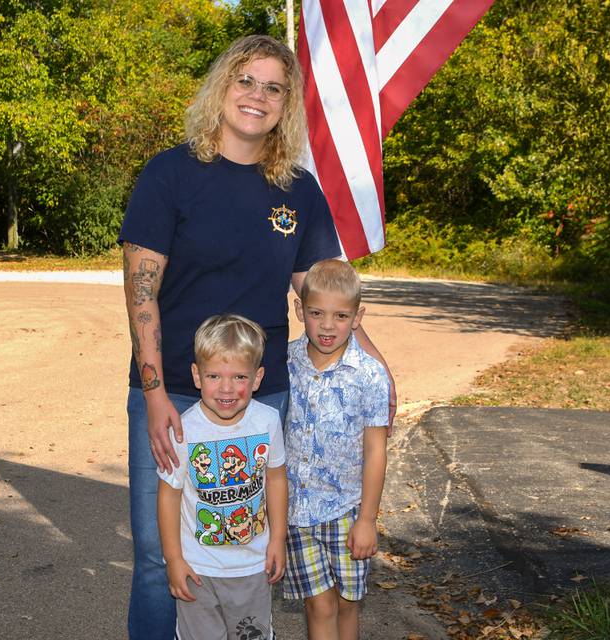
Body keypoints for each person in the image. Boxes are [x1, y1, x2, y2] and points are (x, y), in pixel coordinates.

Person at [119, 34, 395, 639]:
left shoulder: (297, 190)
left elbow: (322, 294)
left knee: (248, 546)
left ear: (285, 105)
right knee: (155, 556)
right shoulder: (169, 173)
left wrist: (374, 369)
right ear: (222, 87)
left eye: (274, 88)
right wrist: (156, 392)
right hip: (177, 391)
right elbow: (141, 294)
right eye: (246, 80)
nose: (257, 96)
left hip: (264, 398)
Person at [157, 314, 287, 639]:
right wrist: (173, 558)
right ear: (196, 376)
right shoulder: (184, 430)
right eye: (214, 375)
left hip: (252, 566)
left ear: (257, 379)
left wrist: (278, 539)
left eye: (239, 376)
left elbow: (276, 479)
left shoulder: (268, 422)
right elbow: (168, 496)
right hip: (198, 568)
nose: (226, 388)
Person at [282, 259, 390, 640]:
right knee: (319, 604)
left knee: (347, 603)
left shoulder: (369, 374)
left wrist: (368, 520)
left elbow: (376, 449)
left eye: (341, 316)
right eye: (317, 313)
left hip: (347, 509)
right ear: (300, 310)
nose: (328, 326)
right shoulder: (284, 363)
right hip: (296, 510)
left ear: (357, 317)